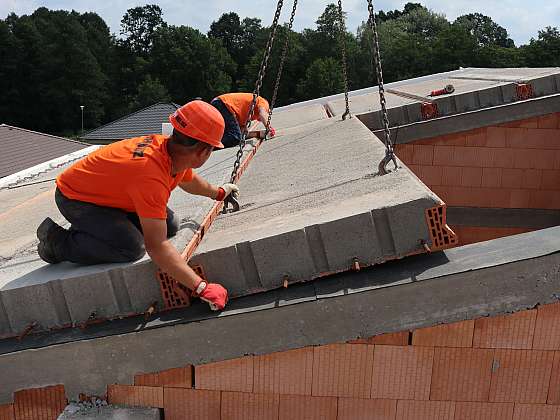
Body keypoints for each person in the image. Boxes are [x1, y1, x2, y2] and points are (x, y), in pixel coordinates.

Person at [36, 100, 236, 311]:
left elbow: (189, 180)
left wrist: (219, 193)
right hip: (76, 198)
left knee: (171, 225)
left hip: (108, 193)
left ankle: (97, 229)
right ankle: (56, 242)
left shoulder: (171, 151)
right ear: (203, 152)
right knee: (131, 247)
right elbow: (156, 246)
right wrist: (201, 287)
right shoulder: (150, 176)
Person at [210, 92, 276, 148]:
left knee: (230, 136)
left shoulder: (245, 114)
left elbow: (242, 134)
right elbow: (262, 113)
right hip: (223, 104)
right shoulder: (263, 102)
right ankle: (210, 146)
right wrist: (269, 128)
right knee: (234, 137)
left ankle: (209, 144)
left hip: (219, 103)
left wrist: (258, 134)